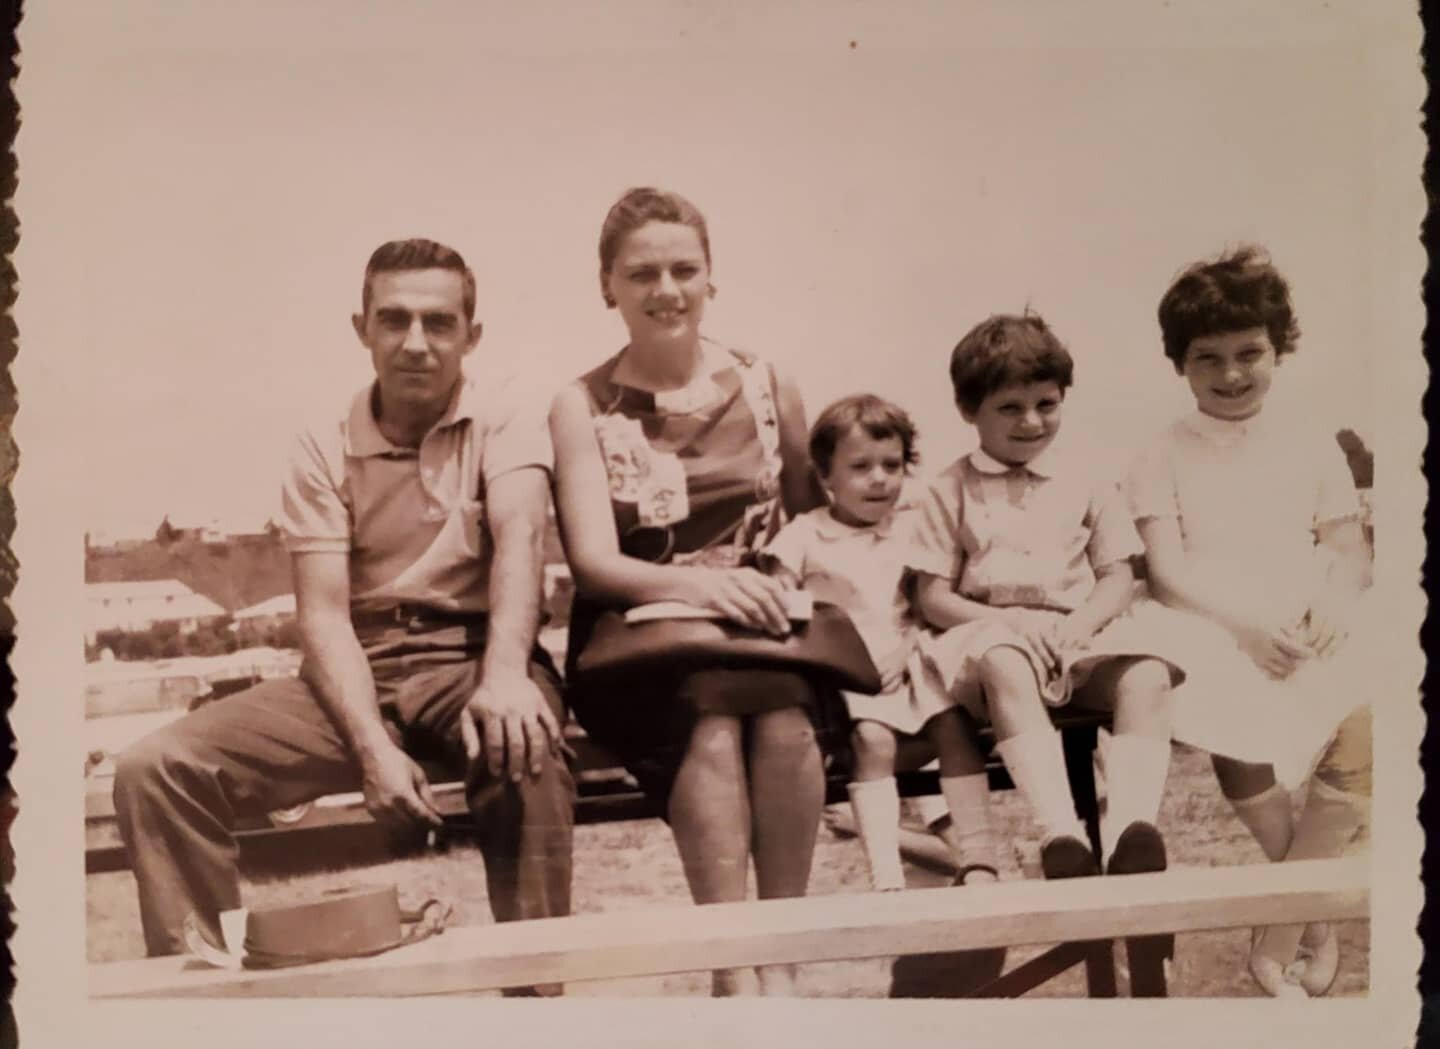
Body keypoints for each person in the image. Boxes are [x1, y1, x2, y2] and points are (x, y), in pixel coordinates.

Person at [112, 239, 575, 995]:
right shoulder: (322, 438)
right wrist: (372, 749)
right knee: (157, 770)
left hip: (472, 653)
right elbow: (322, 616)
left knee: (525, 746)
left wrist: (503, 678)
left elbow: (520, 547)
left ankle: (538, 1007)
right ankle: (202, 1010)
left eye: (439, 322)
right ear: (361, 328)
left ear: (472, 335)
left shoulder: (505, 417)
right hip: (356, 661)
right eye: (393, 320)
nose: (416, 343)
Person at [550, 187, 830, 997]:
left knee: (782, 719)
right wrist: (707, 589)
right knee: (708, 723)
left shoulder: (767, 382)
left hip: (761, 628)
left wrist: (768, 584)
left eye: (684, 269)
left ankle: (780, 962)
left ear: (712, 278)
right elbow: (595, 561)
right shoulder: (582, 403)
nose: (665, 289)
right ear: (608, 285)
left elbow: (811, 522)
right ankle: (731, 965)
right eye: (642, 273)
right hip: (639, 634)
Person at [1129, 246, 1372, 998]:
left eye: (1250, 354)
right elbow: (1167, 567)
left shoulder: (1312, 438)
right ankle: (1311, 916)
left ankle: (1281, 928)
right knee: (1235, 730)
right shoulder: (1160, 451)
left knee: (1365, 718)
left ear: (1278, 349)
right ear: (1180, 364)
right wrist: (1244, 629)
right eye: (1209, 359)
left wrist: (1332, 602)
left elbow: (1346, 548)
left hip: (1306, 602)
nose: (1232, 375)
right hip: (1210, 612)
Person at [910, 312, 1182, 885]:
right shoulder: (948, 489)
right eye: (1009, 407)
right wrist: (1005, 622)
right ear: (969, 410)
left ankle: (1131, 831)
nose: (1031, 421)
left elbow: (1116, 575)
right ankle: (1061, 832)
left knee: (1149, 672)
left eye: (1047, 404)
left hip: (1077, 634)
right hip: (992, 639)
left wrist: (1081, 624)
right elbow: (932, 596)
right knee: (1003, 661)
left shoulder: (1086, 479)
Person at [762, 394, 1002, 891]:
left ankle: (979, 858)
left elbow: (931, 600)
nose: (879, 479)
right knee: (872, 740)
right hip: (846, 670)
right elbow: (780, 595)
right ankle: (886, 874)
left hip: (913, 657)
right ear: (826, 477)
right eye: (860, 467)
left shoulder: (914, 527)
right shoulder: (807, 534)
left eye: (892, 465)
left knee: (954, 727)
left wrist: (911, 646)